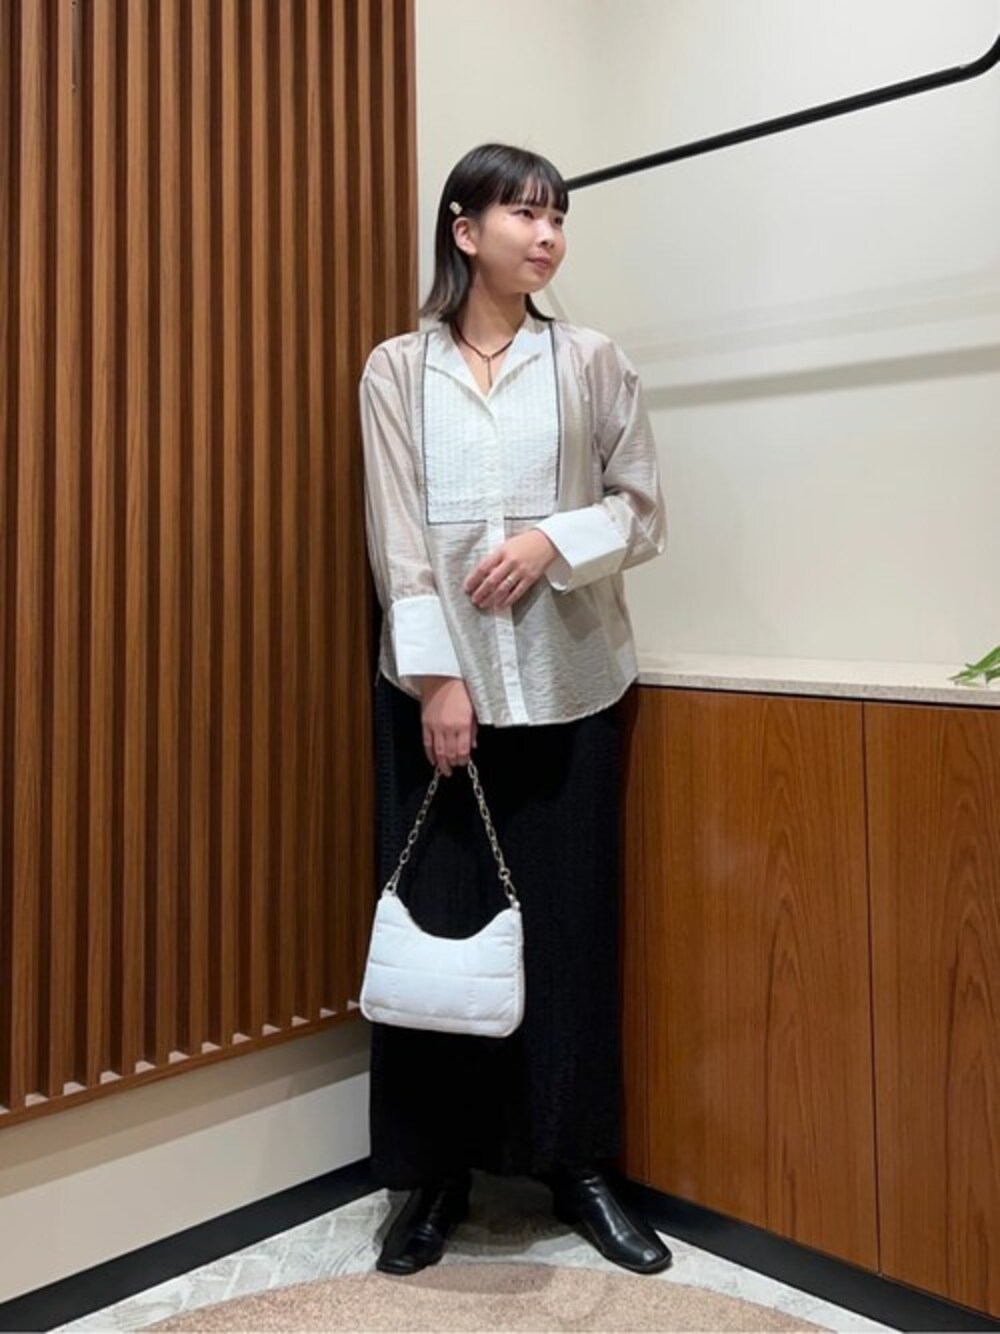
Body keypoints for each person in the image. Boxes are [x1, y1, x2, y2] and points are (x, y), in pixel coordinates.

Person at [358, 143, 670, 1278]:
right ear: (464, 230)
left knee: (572, 937)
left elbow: (642, 507)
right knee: (440, 935)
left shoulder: (589, 361)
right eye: (524, 215)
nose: (546, 236)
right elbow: (398, 537)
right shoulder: (397, 370)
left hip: (573, 689)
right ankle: (433, 1178)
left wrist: (550, 539)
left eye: (558, 218)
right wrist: (439, 679)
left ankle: (577, 1167)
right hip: (443, 704)